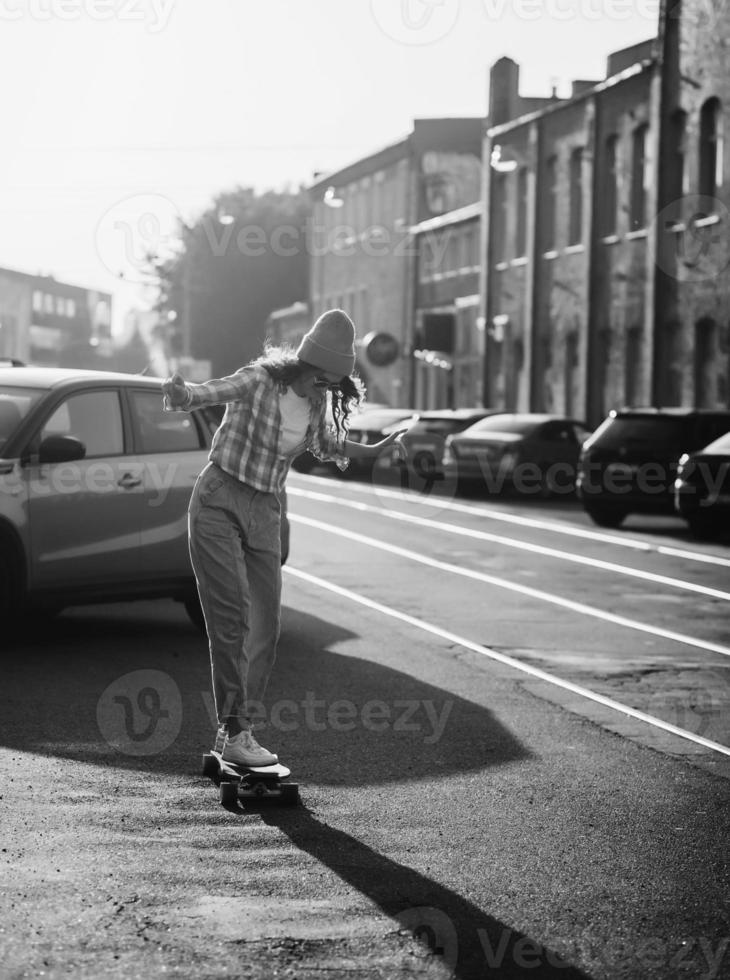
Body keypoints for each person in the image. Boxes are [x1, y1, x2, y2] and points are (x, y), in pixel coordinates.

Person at [161, 309, 405, 767]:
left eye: (334, 384)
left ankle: (239, 729)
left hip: (266, 512)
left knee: (267, 629)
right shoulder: (259, 381)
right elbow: (211, 391)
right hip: (218, 501)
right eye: (322, 379)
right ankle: (235, 732)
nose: (326, 390)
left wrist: (373, 450)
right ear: (306, 365)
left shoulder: (315, 404)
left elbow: (324, 445)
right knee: (231, 621)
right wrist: (183, 393)